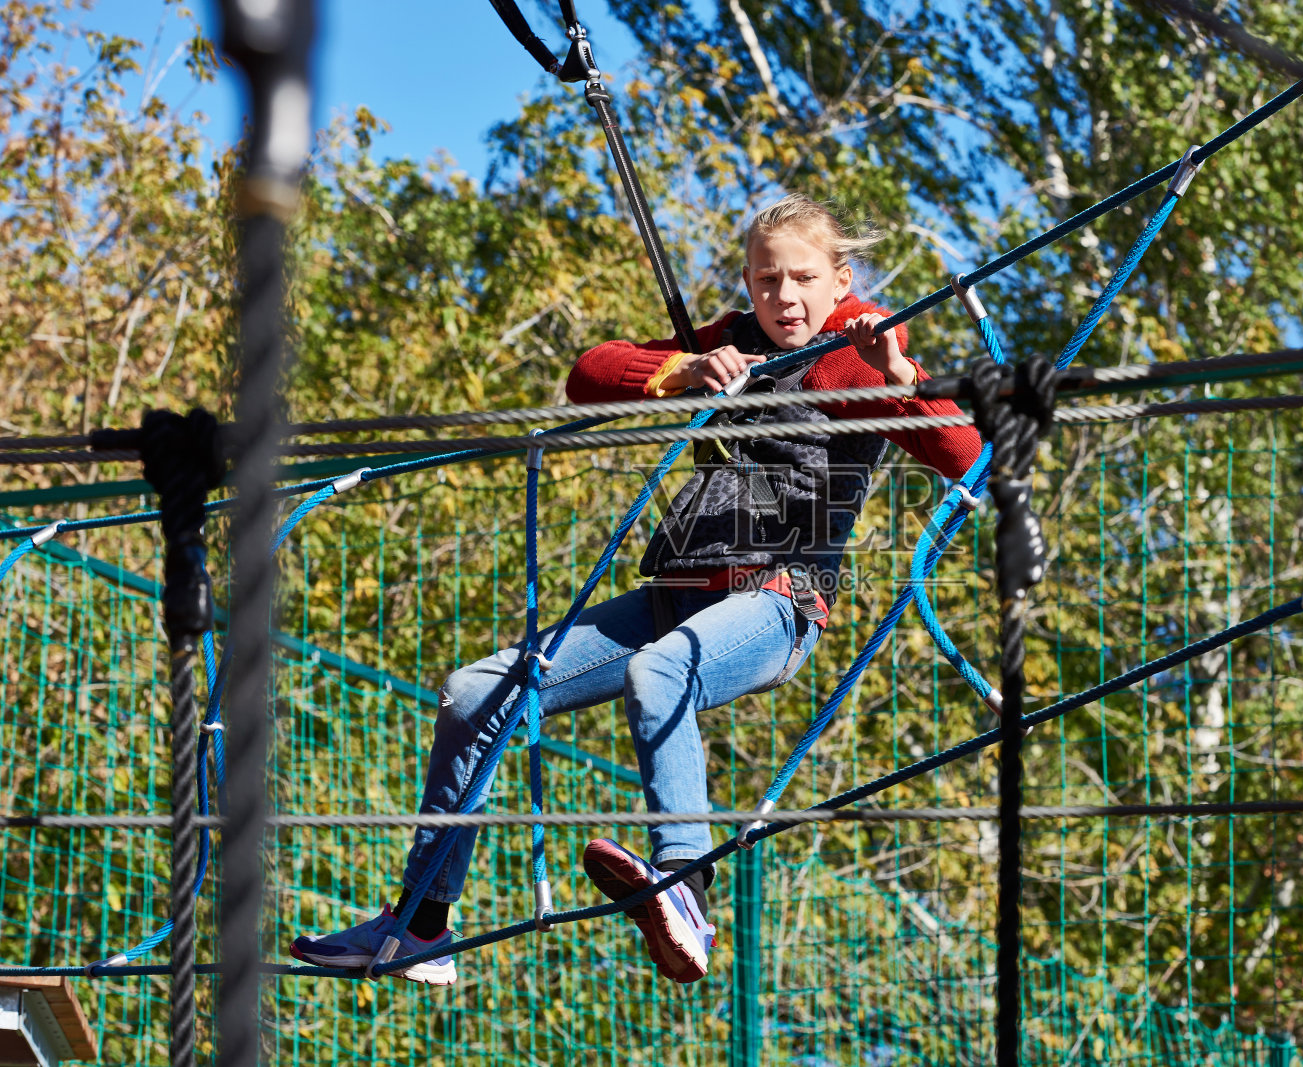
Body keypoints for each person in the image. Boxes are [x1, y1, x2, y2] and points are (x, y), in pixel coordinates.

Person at [291, 194, 983, 986]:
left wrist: (899, 374)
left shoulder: (857, 349)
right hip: (678, 589)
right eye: (766, 280)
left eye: (801, 278)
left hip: (777, 599)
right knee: (474, 693)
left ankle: (684, 881)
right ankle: (420, 923)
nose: (784, 296)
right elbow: (587, 375)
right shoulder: (730, 341)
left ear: (839, 279)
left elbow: (965, 453)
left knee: (660, 670)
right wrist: (683, 370)